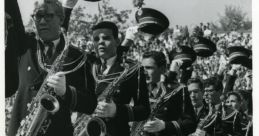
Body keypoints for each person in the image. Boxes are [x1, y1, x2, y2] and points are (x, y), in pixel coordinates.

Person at [5, 0, 97, 136]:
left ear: (61, 18)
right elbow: (12, 12)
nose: (42, 22)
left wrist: (67, 92)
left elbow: (90, 104)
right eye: (37, 16)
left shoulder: (78, 57)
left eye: (48, 16)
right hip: (20, 129)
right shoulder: (25, 44)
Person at [88, 21, 151, 136]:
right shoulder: (88, 65)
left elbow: (144, 110)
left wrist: (116, 110)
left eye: (106, 38)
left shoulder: (133, 69)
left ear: (117, 41)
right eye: (96, 39)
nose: (100, 42)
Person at [137, 51, 196, 136]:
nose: (144, 72)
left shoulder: (178, 90)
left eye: (149, 68)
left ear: (162, 69)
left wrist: (164, 126)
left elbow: (191, 123)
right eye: (142, 68)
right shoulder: (139, 89)